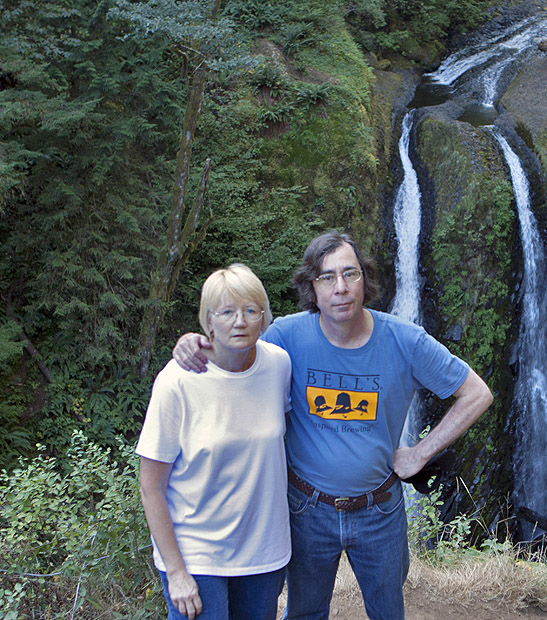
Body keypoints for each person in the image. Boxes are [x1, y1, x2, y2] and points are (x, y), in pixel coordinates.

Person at [173, 231, 493, 620]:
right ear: (313, 286)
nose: (340, 288)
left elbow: (476, 393)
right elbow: (234, 349)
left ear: (365, 279)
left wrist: (420, 452)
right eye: (327, 277)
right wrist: (195, 341)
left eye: (350, 274)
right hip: (306, 509)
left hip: (380, 509)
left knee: (388, 612)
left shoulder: (405, 340)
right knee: (305, 612)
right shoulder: (285, 338)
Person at [138, 264, 291, 620]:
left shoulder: (279, 366)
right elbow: (150, 487)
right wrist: (176, 573)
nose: (240, 322)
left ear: (264, 317)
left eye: (251, 311)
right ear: (208, 321)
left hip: (263, 552)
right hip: (197, 554)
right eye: (227, 312)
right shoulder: (177, 381)